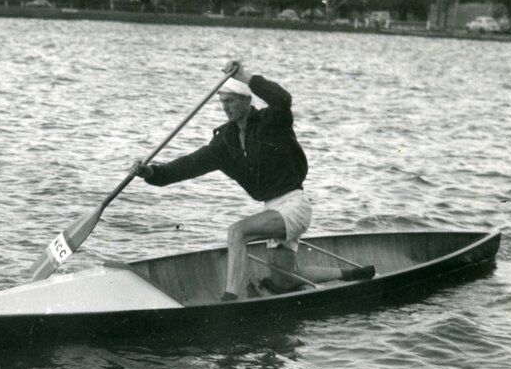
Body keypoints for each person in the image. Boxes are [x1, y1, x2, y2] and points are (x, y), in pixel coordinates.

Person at [132, 60, 374, 301]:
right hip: (272, 209)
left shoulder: (272, 122)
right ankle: (350, 274)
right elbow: (188, 165)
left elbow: (283, 99)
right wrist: (152, 173)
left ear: (247, 101)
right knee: (284, 280)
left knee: (237, 232)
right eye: (222, 102)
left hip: (294, 206)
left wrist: (245, 77)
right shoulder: (225, 141)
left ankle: (230, 299)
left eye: (231, 101)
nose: (226, 108)